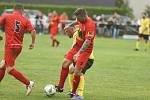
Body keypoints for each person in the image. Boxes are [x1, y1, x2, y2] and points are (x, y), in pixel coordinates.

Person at [55, 8, 96, 100]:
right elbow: (76, 21)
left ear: (83, 16)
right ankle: (60, 87)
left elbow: (88, 42)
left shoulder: (90, 25)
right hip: (77, 46)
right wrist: (69, 25)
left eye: (78, 18)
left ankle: (76, 94)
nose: (77, 20)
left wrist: (78, 53)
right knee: (65, 63)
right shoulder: (80, 19)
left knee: (77, 72)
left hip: (85, 51)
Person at [0, 3, 36, 95]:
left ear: (14, 9)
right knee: (2, 65)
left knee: (9, 69)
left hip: (10, 46)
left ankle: (28, 83)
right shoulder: (25, 20)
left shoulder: (7, 16)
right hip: (18, 47)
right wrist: (32, 43)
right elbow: (33, 31)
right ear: (22, 10)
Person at [65, 25, 94, 99]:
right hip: (80, 56)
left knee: (78, 73)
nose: (66, 33)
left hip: (88, 58)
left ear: (72, 29)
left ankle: (80, 94)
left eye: (67, 31)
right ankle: (72, 91)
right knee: (71, 69)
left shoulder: (76, 33)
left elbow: (73, 46)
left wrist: (70, 56)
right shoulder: (78, 31)